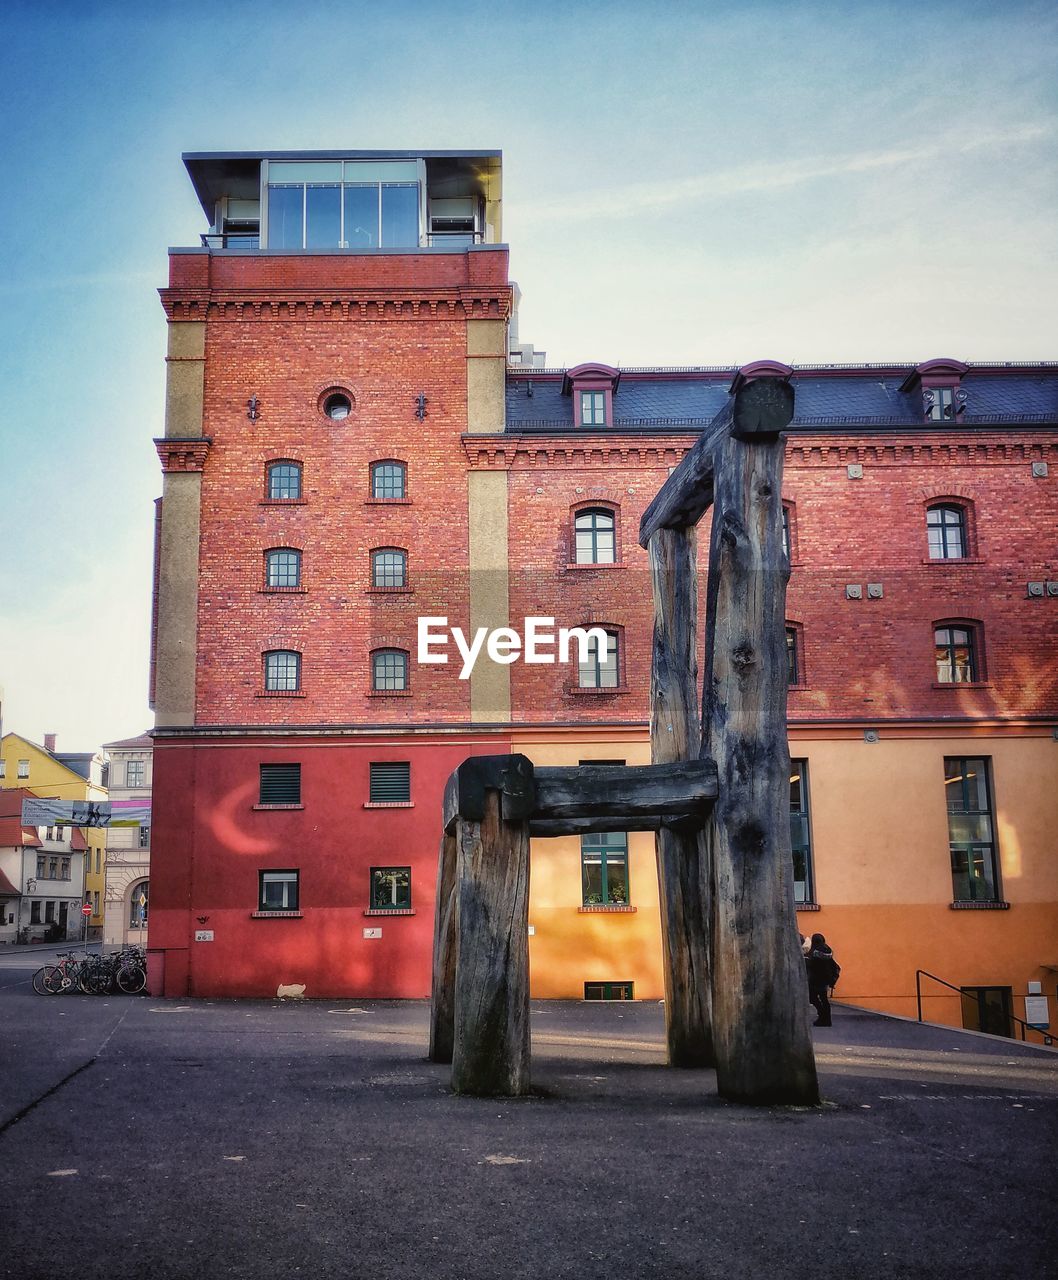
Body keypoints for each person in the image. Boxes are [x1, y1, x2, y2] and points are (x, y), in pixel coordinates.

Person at [805, 932, 838, 1027]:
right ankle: (827, 1019)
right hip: (826, 980)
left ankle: (822, 1016)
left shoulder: (815, 952)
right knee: (824, 1000)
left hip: (816, 980)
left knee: (812, 998)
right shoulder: (828, 950)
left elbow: (811, 965)